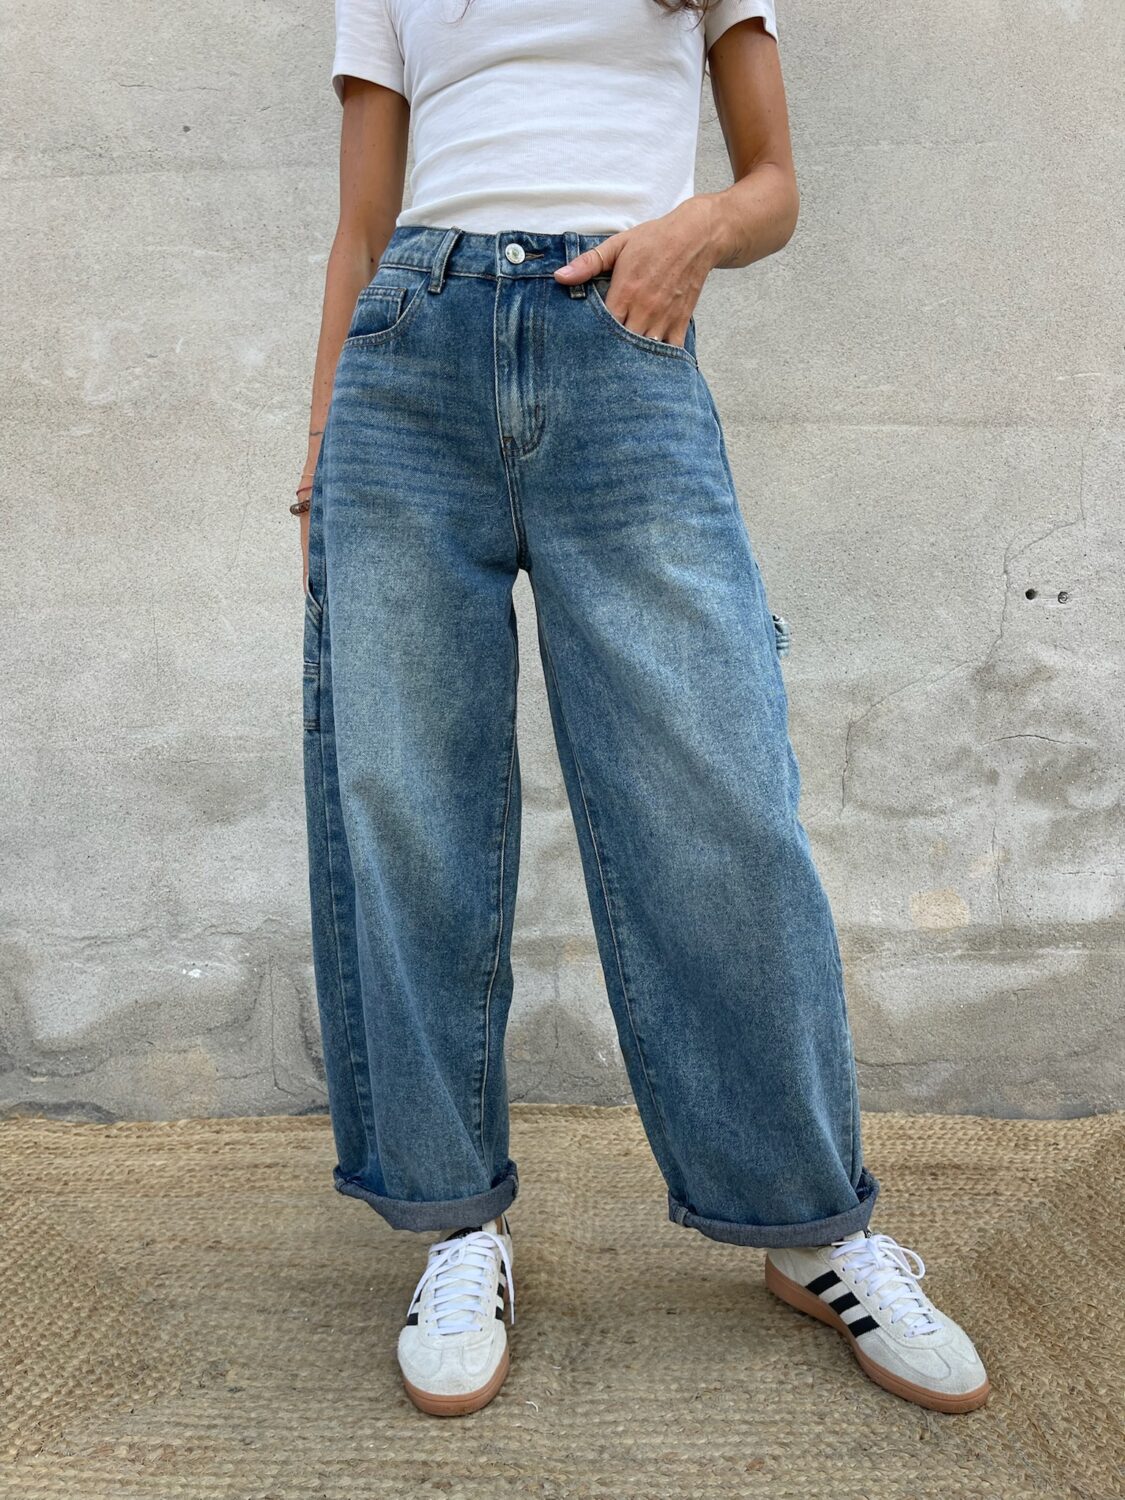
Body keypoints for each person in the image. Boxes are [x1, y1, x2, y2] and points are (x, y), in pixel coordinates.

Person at [296, 0, 989, 1419]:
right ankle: (454, 1225)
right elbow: (359, 225)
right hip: (408, 357)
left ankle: (810, 1225)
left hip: (620, 340)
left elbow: (773, 185)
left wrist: (696, 232)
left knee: (721, 801)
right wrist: (320, 448)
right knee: (403, 803)